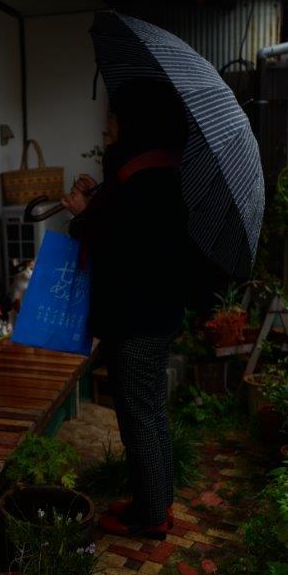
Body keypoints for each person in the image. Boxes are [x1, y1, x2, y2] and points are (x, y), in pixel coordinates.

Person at [62, 77, 219, 538]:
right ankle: (155, 502)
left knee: (139, 414)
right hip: (154, 312)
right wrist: (98, 202)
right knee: (148, 411)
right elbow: (130, 232)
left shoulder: (142, 180)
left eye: (112, 117)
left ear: (133, 123)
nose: (106, 126)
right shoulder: (156, 172)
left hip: (137, 318)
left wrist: (81, 214)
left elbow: (119, 246)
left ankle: (150, 516)